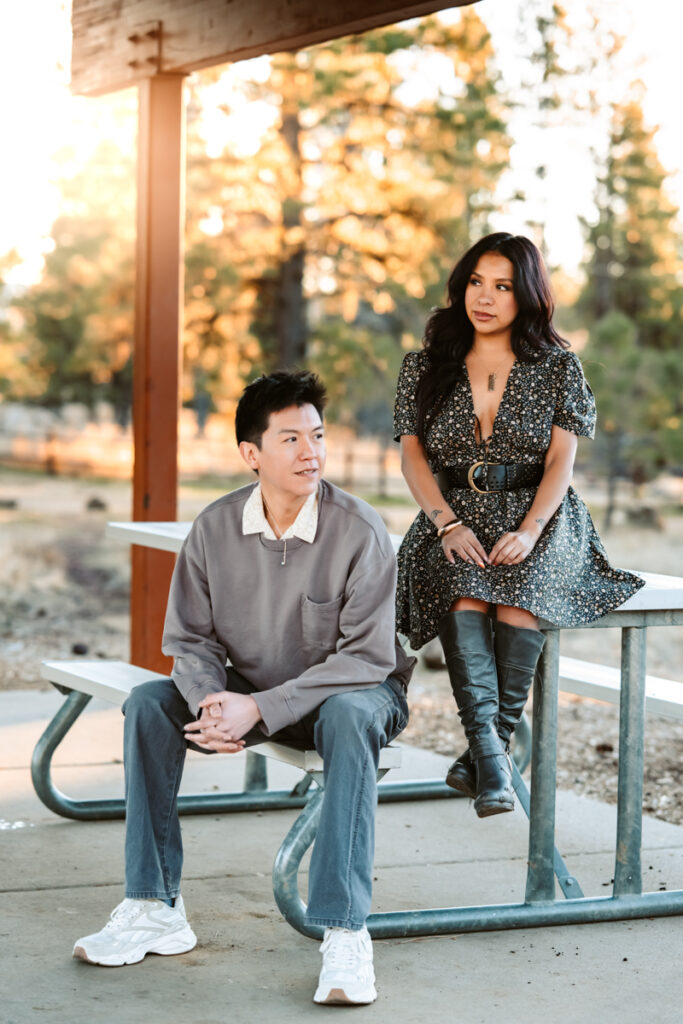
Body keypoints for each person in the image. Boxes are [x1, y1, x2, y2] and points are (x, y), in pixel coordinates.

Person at [72, 370, 413, 1005]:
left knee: (346, 717)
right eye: (290, 439)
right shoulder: (213, 529)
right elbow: (191, 642)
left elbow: (367, 658)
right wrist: (212, 702)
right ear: (251, 454)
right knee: (150, 704)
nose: (310, 452)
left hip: (356, 693)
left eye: (316, 436)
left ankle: (344, 930)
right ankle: (154, 905)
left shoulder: (359, 531)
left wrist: (258, 706)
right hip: (253, 690)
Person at [393, 232, 643, 818]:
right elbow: (412, 456)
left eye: (503, 286)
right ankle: (494, 758)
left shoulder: (557, 366)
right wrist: (446, 524)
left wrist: (530, 530)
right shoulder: (424, 366)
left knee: (518, 594)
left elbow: (561, 463)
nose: (485, 297)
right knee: (462, 586)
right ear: (462, 288)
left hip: (541, 513)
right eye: (477, 282)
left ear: (525, 295)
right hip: (451, 511)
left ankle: (485, 758)